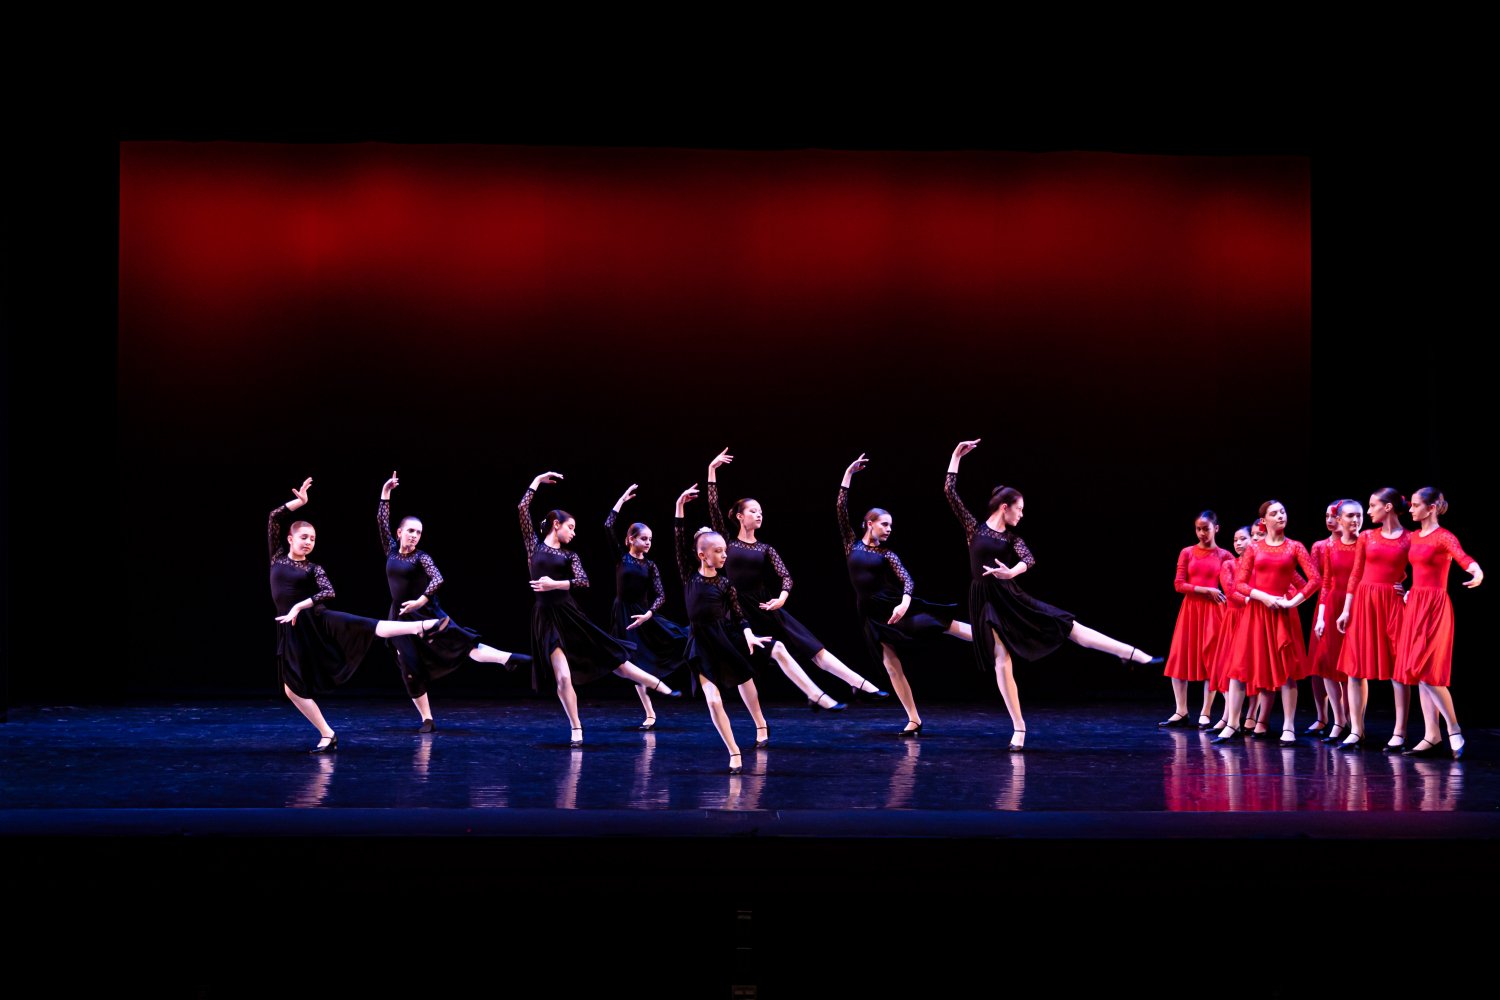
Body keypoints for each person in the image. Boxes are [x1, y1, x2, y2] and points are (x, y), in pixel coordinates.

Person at [945, 439, 1163, 751]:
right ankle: (1019, 728)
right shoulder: (974, 529)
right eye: (1019, 509)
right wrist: (956, 456)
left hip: (1011, 597)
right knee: (1001, 658)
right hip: (984, 600)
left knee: (1068, 625)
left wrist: (1011, 572)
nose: (1022, 515)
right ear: (1004, 507)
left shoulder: (1013, 539)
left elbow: (1028, 559)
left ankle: (1131, 654)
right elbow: (950, 492)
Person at [269, 478, 449, 752]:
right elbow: (274, 516)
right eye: (304, 537)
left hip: (316, 620)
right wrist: (299, 502)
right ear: (290, 539)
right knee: (291, 690)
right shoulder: (277, 558)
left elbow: (328, 592)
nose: (309, 542)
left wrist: (299, 605)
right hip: (291, 629)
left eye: (313, 539)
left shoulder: (314, 569)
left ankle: (421, 626)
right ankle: (327, 734)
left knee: (367, 626)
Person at [704, 448, 888, 709]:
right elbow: (713, 506)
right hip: (736, 611)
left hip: (765, 605)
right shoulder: (727, 542)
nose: (759, 514)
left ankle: (862, 685)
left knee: (812, 647)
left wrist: (781, 598)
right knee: (777, 652)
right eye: (753, 511)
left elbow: (785, 577)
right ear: (739, 516)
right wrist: (712, 471)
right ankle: (817, 696)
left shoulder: (765, 549)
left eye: (761, 511)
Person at [519, 472, 682, 746]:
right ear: (556, 525)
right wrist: (536, 481)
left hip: (570, 616)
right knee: (562, 677)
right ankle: (576, 728)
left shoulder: (570, 555)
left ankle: (658, 685)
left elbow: (583, 581)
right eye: (571, 527)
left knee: (613, 658)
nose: (574, 532)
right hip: (545, 618)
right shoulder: (533, 546)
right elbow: (522, 508)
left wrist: (554, 584)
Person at [378, 471, 530, 733]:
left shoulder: (422, 557)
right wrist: (386, 492)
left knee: (463, 644)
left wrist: (420, 601)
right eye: (411, 531)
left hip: (426, 613)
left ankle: (506, 658)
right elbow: (381, 521)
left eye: (419, 533)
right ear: (399, 532)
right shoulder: (390, 549)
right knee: (409, 668)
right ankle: (427, 718)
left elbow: (438, 578)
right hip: (400, 618)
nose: (415, 536)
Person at [838, 454, 973, 736]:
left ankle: (990, 636)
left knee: (941, 623)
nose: (889, 529)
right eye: (884, 524)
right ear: (869, 523)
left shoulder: (887, 554)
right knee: (891, 667)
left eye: (891, 526)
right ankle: (914, 719)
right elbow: (840, 508)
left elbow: (908, 580)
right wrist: (848, 475)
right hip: (870, 616)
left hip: (893, 606)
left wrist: (903, 604)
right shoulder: (851, 545)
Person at [675, 484, 774, 773]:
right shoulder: (689, 575)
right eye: (718, 552)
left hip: (723, 637)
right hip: (700, 643)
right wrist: (680, 507)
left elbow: (739, 615)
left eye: (725, 551)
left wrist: (748, 634)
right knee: (713, 699)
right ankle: (733, 751)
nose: (724, 556)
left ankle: (760, 722)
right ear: (702, 555)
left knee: (745, 677)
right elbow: (678, 538)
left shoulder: (725, 583)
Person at [1211, 500, 1320, 746]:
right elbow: (1240, 584)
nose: (1280, 516)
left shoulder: (1294, 547)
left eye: (1282, 511)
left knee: (1287, 672)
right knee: (1239, 669)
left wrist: (1292, 602)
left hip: (1282, 615)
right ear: (1264, 520)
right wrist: (1264, 597)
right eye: (1274, 513)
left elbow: (1314, 580)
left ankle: (1289, 726)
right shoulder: (1254, 548)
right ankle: (1232, 724)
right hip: (1256, 613)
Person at [1396, 489, 1483, 760]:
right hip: (1415, 606)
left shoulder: (1444, 536)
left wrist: (1476, 570)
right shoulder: (1413, 536)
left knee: (1427, 671)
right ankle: (1432, 735)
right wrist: (1408, 590)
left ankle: (1453, 728)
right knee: (1418, 672)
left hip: (1435, 607)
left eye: (1415, 505)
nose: (1411, 510)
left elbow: (1462, 557)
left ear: (1431, 508)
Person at [605, 483, 692, 731]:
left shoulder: (650, 565)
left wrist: (648, 614)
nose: (648, 543)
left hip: (643, 615)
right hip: (623, 616)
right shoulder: (621, 558)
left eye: (650, 540)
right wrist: (622, 500)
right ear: (631, 539)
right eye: (644, 538)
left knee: (679, 637)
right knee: (632, 663)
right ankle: (650, 712)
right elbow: (608, 526)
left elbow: (662, 595)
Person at [1333, 488, 1411, 751]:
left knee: (1398, 669)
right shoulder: (1367, 536)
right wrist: (1346, 610)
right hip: (1364, 603)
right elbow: (1355, 574)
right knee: (1355, 667)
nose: (1368, 512)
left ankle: (1400, 731)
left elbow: (1425, 567)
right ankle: (1356, 729)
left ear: (1387, 507)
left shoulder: (1409, 538)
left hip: (1391, 604)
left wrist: (1409, 590)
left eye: (1372, 505)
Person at [1160, 511, 1235, 728]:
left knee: (1211, 660)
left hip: (1214, 612)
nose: (1202, 533)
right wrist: (1205, 590)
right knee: (1179, 657)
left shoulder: (1225, 556)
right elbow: (1179, 584)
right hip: (1191, 610)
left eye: (1206, 529)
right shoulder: (1187, 552)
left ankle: (1206, 711)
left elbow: (1234, 584)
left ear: (1216, 529)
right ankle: (1181, 710)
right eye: (1198, 529)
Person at [1307, 499, 1361, 742]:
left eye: (1333, 516)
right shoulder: (1325, 546)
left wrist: (1398, 586)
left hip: (1356, 604)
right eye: (1327, 516)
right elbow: (1322, 581)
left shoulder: (1364, 542)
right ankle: (1332, 719)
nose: (1330, 521)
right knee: (1323, 663)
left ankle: (1354, 722)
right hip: (1330, 605)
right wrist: (1319, 614)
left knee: (1353, 666)